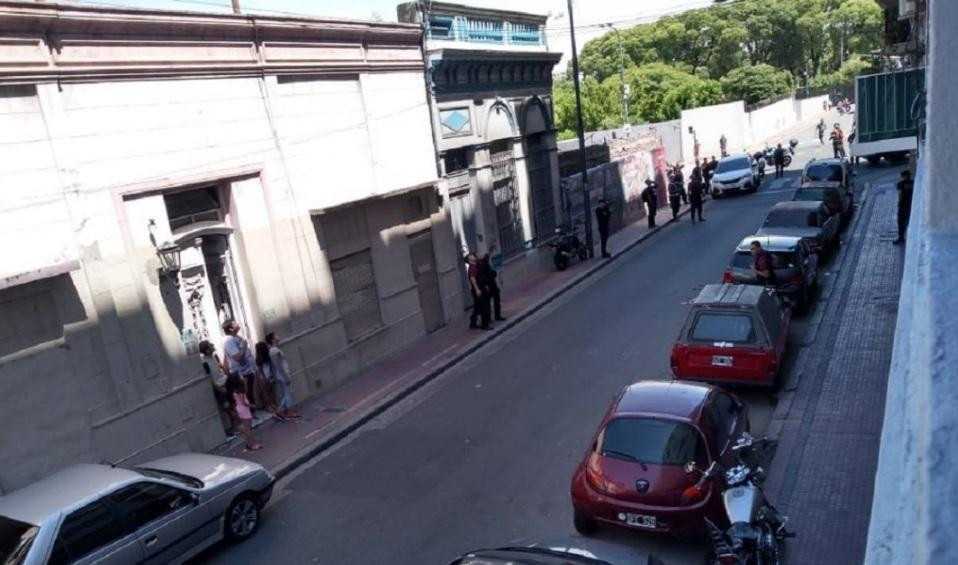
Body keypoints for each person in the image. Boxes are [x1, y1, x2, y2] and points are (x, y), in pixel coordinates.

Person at [199, 340, 238, 437]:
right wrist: (218, 388)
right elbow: (209, 378)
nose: (213, 346)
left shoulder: (215, 356)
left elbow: (223, 369)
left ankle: (237, 424)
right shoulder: (204, 362)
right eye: (210, 346)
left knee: (233, 402)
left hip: (225, 381)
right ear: (207, 350)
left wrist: (225, 359)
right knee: (226, 406)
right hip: (219, 386)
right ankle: (231, 426)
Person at [222, 320, 259, 412]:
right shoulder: (228, 341)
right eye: (235, 324)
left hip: (248, 370)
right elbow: (237, 357)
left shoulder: (237, 337)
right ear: (231, 329)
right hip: (241, 373)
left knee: (250, 393)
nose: (238, 324)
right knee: (245, 395)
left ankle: (252, 413)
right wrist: (244, 347)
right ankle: (248, 415)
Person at [265, 333, 299, 420]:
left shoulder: (274, 350)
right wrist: (285, 376)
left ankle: (279, 411)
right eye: (276, 335)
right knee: (288, 393)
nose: (278, 336)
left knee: (287, 392)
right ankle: (289, 413)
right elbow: (278, 365)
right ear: (272, 340)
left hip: (282, 374)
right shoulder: (274, 350)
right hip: (282, 374)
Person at [226, 373, 261, 451]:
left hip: (240, 409)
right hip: (244, 409)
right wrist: (252, 406)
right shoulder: (240, 390)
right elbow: (244, 402)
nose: (242, 376)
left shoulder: (234, 391)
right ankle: (252, 444)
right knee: (248, 428)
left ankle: (248, 443)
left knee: (246, 428)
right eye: (240, 376)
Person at [253, 341, 281, 419]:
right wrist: (266, 378)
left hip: (266, 375)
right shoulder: (261, 358)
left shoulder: (263, 357)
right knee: (266, 391)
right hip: (264, 376)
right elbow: (261, 369)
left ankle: (272, 404)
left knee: (269, 391)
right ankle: (270, 405)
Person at [466, 252, 492, 330]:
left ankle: (472, 323)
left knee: (477, 307)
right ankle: (485, 325)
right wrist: (477, 289)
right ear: (470, 259)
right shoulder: (472, 268)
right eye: (472, 256)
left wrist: (485, 286)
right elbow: (473, 279)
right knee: (484, 306)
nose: (474, 256)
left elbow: (481, 277)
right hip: (478, 290)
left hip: (481, 288)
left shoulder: (476, 266)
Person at [893, 170, 914, 245]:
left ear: (903, 176)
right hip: (911, 205)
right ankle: (912, 237)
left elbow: (900, 193)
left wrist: (899, 202)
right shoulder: (913, 183)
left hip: (903, 206)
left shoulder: (900, 184)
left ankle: (901, 238)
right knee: (910, 221)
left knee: (901, 222)